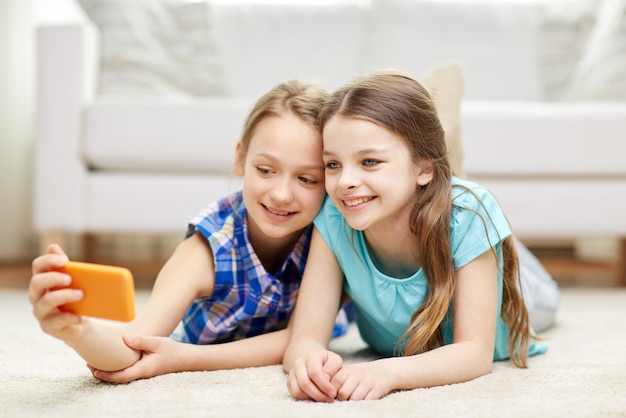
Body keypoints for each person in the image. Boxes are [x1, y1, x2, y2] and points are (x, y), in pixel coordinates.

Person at [29, 79, 346, 382]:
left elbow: (304, 338)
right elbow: (134, 343)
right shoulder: (206, 250)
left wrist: (185, 357)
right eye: (265, 170)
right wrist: (79, 331)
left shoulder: (329, 231)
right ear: (240, 158)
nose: (281, 194)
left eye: (307, 179)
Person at [283, 69, 559, 402]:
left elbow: (474, 353)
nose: (344, 182)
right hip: (428, 207)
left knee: (541, 295)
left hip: (512, 279)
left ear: (423, 168)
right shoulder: (333, 216)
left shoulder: (471, 215)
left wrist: (387, 372)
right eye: (333, 164)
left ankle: (453, 167)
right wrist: (307, 361)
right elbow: (305, 337)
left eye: (369, 161)